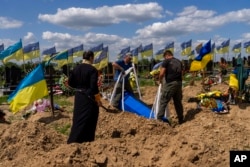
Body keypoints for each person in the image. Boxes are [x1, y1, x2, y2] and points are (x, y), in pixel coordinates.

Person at [67, 51, 102, 144]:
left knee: (78, 119)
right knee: (90, 119)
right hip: (89, 98)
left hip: (79, 97)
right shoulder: (92, 70)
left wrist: (79, 87)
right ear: (91, 58)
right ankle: (87, 141)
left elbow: (70, 83)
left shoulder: (76, 68)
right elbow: (94, 87)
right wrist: (98, 100)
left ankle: (73, 140)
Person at [157, 50, 184, 124]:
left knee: (163, 100)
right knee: (178, 102)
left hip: (170, 83)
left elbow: (162, 73)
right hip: (179, 83)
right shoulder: (179, 61)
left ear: (166, 56)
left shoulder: (166, 61)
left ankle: (159, 119)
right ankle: (181, 119)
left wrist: (160, 80)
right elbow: (182, 73)